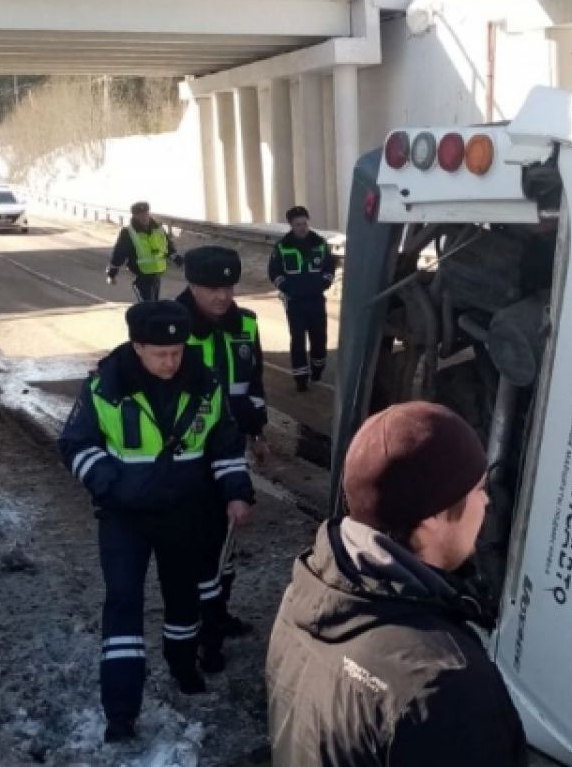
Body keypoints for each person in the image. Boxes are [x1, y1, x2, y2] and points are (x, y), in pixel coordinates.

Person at [266, 401, 528, 767]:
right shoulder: (443, 685)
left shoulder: (306, 592)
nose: (486, 502)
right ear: (433, 518)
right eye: (478, 489)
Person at [58, 300, 253, 743]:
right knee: (123, 604)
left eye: (178, 351)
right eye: (161, 353)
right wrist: (110, 486)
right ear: (137, 346)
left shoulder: (206, 386)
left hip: (184, 514)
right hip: (123, 519)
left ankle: (184, 667)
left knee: (183, 601)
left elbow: (224, 446)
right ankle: (121, 711)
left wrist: (237, 493)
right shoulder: (104, 388)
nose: (171, 361)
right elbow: (75, 445)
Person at [176, 246, 267, 638]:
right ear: (191, 285)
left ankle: (218, 612)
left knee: (227, 535)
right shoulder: (171, 326)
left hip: (232, 449)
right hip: (188, 454)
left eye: (228, 287)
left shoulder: (245, 324)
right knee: (198, 541)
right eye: (212, 288)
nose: (223, 297)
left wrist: (257, 432)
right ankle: (196, 623)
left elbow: (255, 383)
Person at [267, 205, 335, 392]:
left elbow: (330, 266)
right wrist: (287, 288)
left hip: (315, 299)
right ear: (291, 225)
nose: (302, 227)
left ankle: (318, 368)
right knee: (297, 339)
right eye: (298, 224)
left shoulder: (320, 243)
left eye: (304, 223)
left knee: (319, 337)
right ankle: (301, 378)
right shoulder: (281, 247)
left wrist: (324, 283)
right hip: (295, 302)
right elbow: (274, 272)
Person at [106, 201, 181, 302]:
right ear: (134, 216)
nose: (143, 217)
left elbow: (167, 245)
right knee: (147, 305)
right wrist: (112, 273)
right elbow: (119, 253)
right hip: (141, 275)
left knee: (154, 304)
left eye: (145, 213)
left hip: (157, 274)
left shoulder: (158, 229)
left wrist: (177, 258)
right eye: (140, 215)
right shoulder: (128, 232)